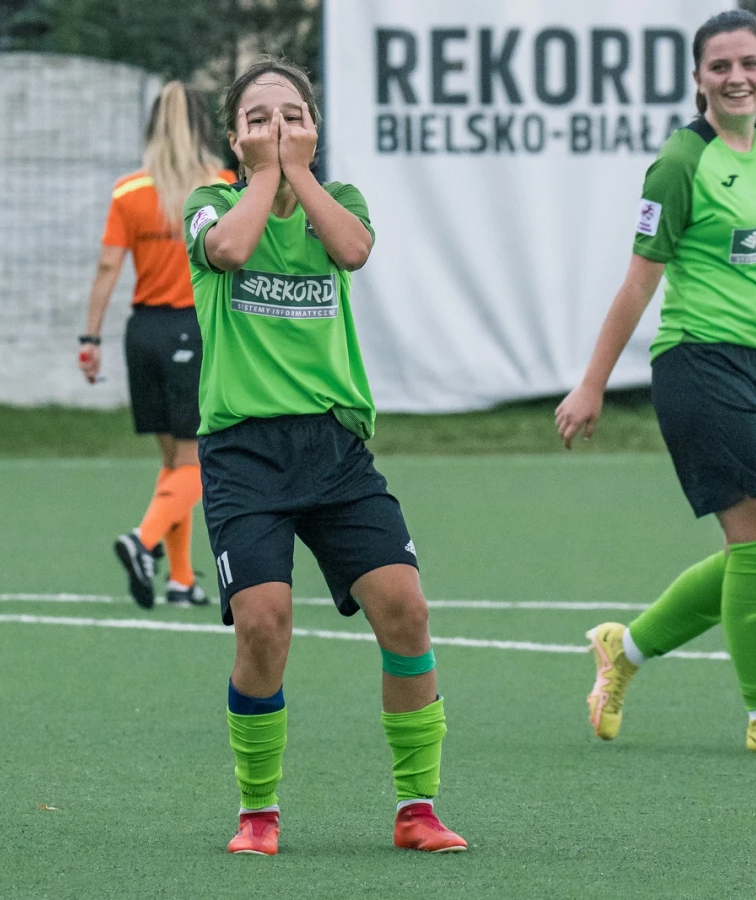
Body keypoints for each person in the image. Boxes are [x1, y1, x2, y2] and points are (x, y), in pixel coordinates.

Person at [555, 10, 756, 755]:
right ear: (698, 79)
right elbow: (638, 283)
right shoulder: (679, 163)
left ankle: (622, 650)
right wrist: (592, 384)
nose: (737, 77)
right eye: (720, 66)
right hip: (699, 364)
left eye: (749, 63)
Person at [184, 58, 467, 856]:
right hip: (245, 452)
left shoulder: (337, 201)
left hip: (334, 448)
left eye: (293, 114)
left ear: (315, 128)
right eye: (258, 117)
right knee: (263, 623)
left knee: (406, 610)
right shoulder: (210, 205)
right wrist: (264, 177)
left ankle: (417, 809)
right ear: (233, 137)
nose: (277, 127)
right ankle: (258, 814)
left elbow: (354, 250)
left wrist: (298, 175)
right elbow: (230, 251)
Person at [78, 82, 233, 609]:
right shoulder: (221, 187)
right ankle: (141, 542)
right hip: (193, 329)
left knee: (174, 463)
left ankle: (182, 579)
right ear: (203, 126)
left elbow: (108, 265)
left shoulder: (128, 191)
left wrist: (90, 337)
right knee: (199, 463)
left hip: (142, 333)